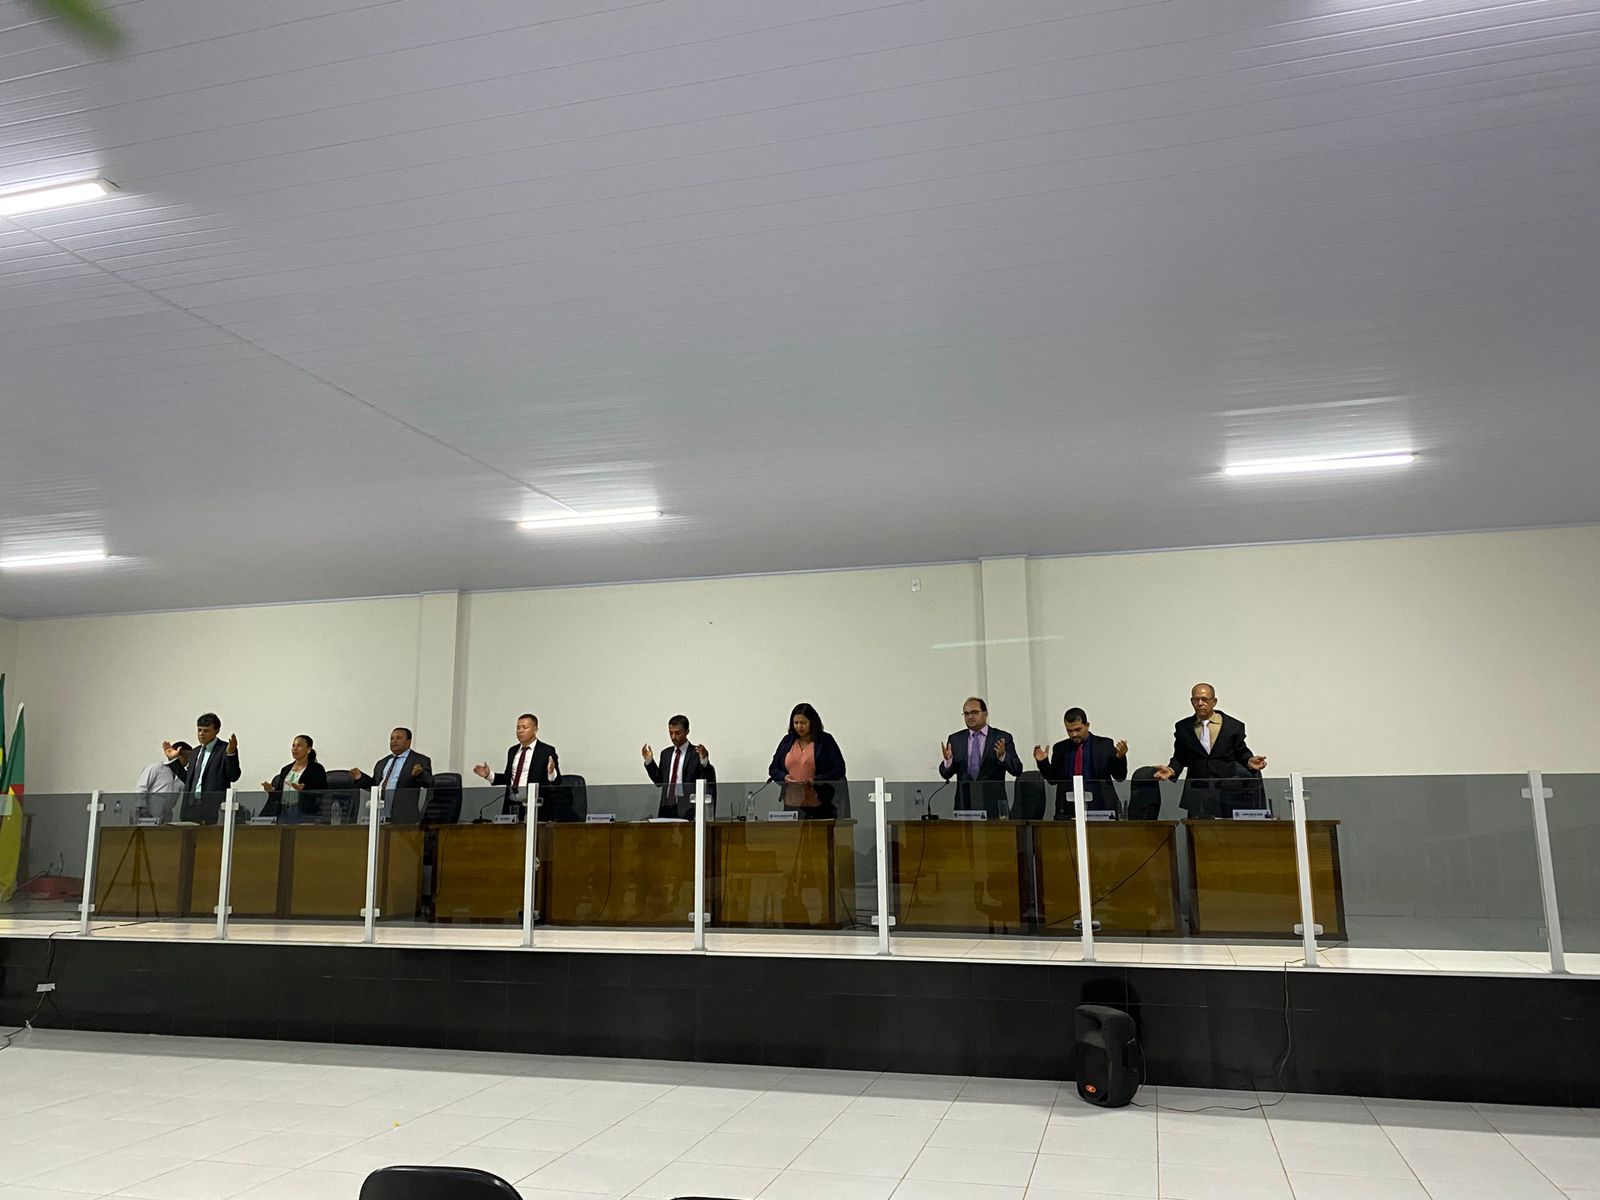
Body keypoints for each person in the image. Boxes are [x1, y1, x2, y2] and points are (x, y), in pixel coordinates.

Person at [1153, 683, 1268, 818]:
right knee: (1197, 830)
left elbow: (1241, 751)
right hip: (1197, 793)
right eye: (1196, 700)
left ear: (1214, 702)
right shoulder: (1183, 727)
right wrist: (1171, 770)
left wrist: (1249, 760)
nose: (1200, 703)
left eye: (1204, 699)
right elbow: (1180, 756)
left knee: (1226, 830)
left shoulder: (1233, 726)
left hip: (1227, 792)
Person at [1033, 708, 1128, 818]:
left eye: (1078, 730)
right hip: (1068, 805)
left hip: (1100, 803)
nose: (1074, 734)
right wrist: (1043, 762)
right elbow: (1053, 780)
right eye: (1069, 731)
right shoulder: (1060, 748)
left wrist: (1120, 758)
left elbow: (1120, 777)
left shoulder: (1104, 745)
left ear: (1087, 725)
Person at [938, 697, 1023, 818]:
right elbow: (945, 774)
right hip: (965, 805)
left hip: (993, 805)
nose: (970, 717)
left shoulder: (1001, 737)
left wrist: (1003, 756)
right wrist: (948, 761)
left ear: (985, 713)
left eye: (974, 712)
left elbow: (1017, 769)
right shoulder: (955, 739)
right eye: (966, 713)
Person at [767, 703, 848, 819]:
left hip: (819, 802)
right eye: (796, 723)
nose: (799, 726)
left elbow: (839, 769)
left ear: (812, 722)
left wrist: (817, 780)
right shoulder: (787, 741)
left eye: (803, 723)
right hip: (791, 803)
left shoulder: (825, 740)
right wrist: (784, 777)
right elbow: (773, 769)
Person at [474, 713, 559, 818]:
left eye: (525, 727)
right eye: (518, 728)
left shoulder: (546, 751)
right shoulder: (512, 751)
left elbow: (557, 781)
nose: (520, 731)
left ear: (535, 730)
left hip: (536, 807)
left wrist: (551, 772)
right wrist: (489, 775)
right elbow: (509, 778)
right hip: (512, 806)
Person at [164, 713, 240, 821]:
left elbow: (233, 776)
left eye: (206, 731)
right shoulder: (195, 752)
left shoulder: (225, 749)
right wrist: (173, 760)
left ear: (217, 730)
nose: (201, 734)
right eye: (199, 730)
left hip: (212, 808)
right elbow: (188, 780)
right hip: (190, 808)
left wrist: (230, 754)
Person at [350, 727, 434, 822]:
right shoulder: (382, 763)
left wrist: (420, 774)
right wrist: (361, 778)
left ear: (408, 742)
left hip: (404, 817)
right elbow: (375, 785)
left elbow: (429, 783)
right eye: (392, 738)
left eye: (398, 738)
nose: (394, 741)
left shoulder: (419, 760)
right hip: (379, 815)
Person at [642, 715, 715, 818]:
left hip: (688, 807)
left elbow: (708, 778)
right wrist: (649, 761)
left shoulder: (696, 753)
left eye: (677, 733)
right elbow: (659, 781)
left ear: (687, 731)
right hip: (666, 806)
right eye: (670, 733)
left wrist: (704, 761)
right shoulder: (666, 754)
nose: (673, 737)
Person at [261, 734, 328, 823]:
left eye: (299, 746)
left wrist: (304, 790)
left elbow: (322, 792)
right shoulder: (285, 769)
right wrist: (272, 791)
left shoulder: (316, 769)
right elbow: (280, 794)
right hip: (284, 812)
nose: (295, 749)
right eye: (293, 746)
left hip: (304, 813)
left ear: (308, 749)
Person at [134, 741, 190, 821]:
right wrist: (143, 811)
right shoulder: (156, 768)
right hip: (147, 817)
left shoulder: (183, 776)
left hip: (167, 819)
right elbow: (141, 789)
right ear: (176, 754)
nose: (187, 761)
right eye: (185, 757)